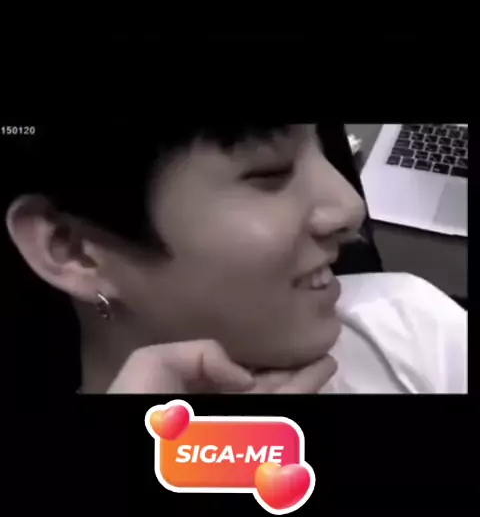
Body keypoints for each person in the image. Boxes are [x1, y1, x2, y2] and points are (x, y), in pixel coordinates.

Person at [4, 121, 467, 394]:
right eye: (271, 172)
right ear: (74, 251)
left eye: (324, 148)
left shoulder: (410, 326)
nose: (350, 207)